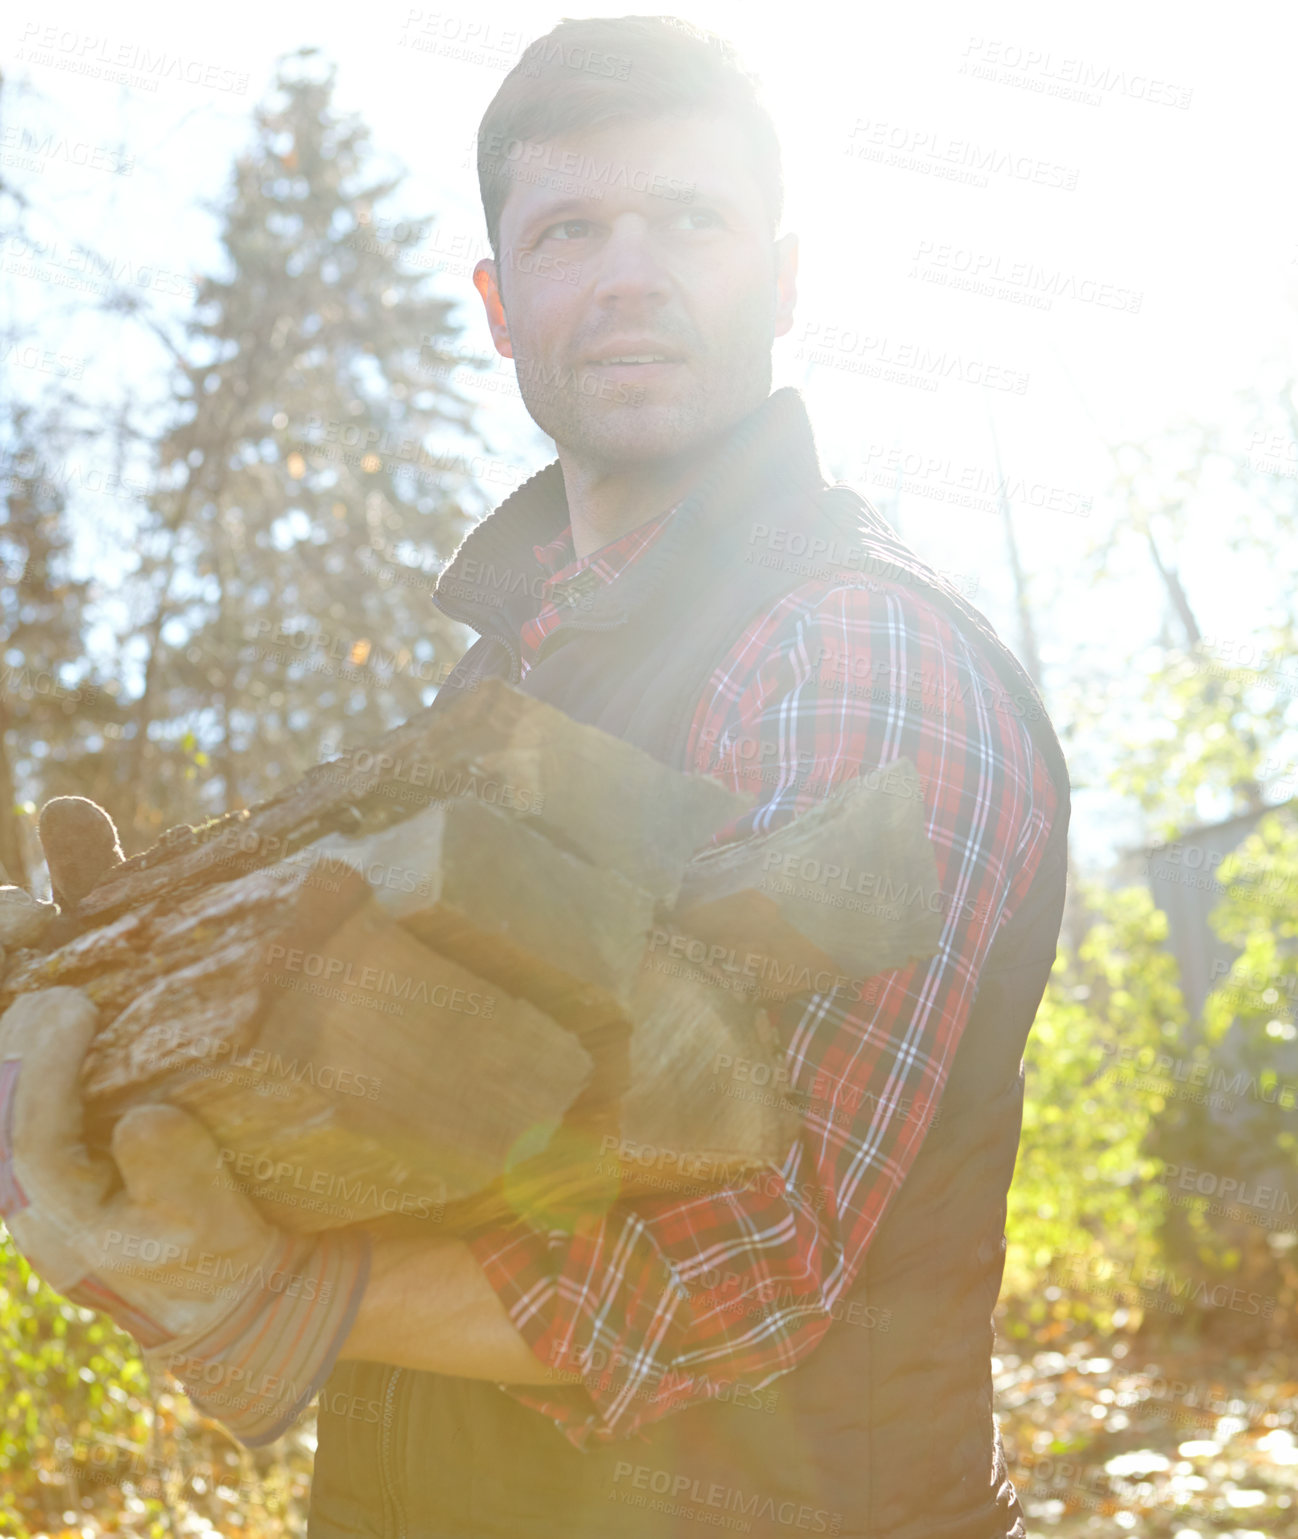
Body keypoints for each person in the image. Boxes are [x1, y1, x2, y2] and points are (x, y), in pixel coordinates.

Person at [0, 16, 1070, 1539]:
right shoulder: (499, 674)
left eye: (688, 217)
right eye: (571, 227)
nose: (630, 270)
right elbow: (437, 1127)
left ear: (782, 279)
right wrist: (156, 1024)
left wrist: (288, 1304)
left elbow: (759, 1256)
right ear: (501, 305)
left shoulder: (858, 649)